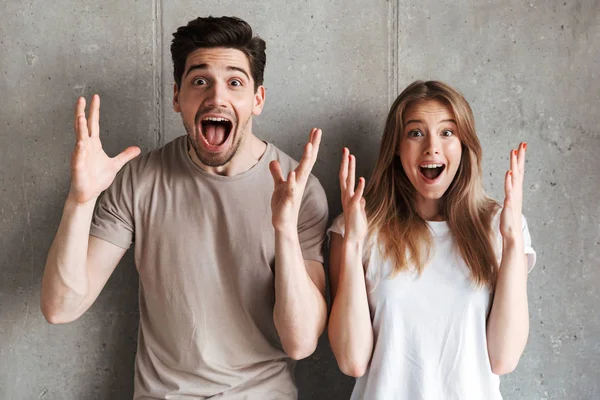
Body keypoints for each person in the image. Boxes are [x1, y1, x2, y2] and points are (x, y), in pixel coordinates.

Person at [40, 16, 329, 399]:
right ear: (177, 97)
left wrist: (284, 230)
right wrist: (81, 200)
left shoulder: (300, 189)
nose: (216, 97)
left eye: (235, 82)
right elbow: (61, 308)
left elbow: (302, 342)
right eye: (200, 81)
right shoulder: (139, 180)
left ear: (257, 99)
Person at [327, 80, 536, 399]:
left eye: (447, 132)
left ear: (464, 144)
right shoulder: (355, 230)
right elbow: (352, 361)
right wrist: (354, 245)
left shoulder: (501, 228)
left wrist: (510, 241)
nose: (432, 148)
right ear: (396, 147)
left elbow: (504, 358)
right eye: (415, 132)